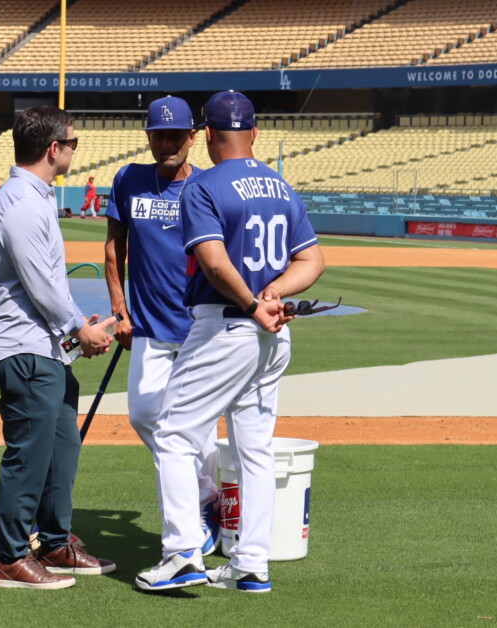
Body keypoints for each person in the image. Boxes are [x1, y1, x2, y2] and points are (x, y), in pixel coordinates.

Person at [136, 91, 325, 593]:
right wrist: (272, 294)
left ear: (210, 136)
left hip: (228, 326)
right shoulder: (281, 186)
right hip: (273, 332)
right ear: (255, 133)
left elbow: (216, 263)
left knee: (174, 434)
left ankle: (182, 554)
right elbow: (312, 264)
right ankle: (251, 563)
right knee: (255, 448)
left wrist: (250, 302)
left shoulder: (205, 185)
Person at [0, 105, 118, 590]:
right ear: (52, 148)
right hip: (23, 348)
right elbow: (40, 283)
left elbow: (48, 285)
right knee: (29, 456)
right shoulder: (20, 200)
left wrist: (79, 328)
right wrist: (79, 327)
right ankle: (11, 558)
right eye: (73, 143)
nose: (75, 151)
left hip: (46, 348)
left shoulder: (33, 197)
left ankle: (55, 542)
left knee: (62, 448)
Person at [103, 95, 220, 559]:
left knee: (201, 430)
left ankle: (204, 509)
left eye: (176, 135)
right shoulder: (129, 179)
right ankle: (206, 497)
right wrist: (119, 308)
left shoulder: (210, 186)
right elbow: (115, 249)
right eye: (159, 135)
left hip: (201, 327)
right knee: (144, 415)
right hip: (149, 325)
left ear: (193, 137)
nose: (168, 143)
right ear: (148, 137)